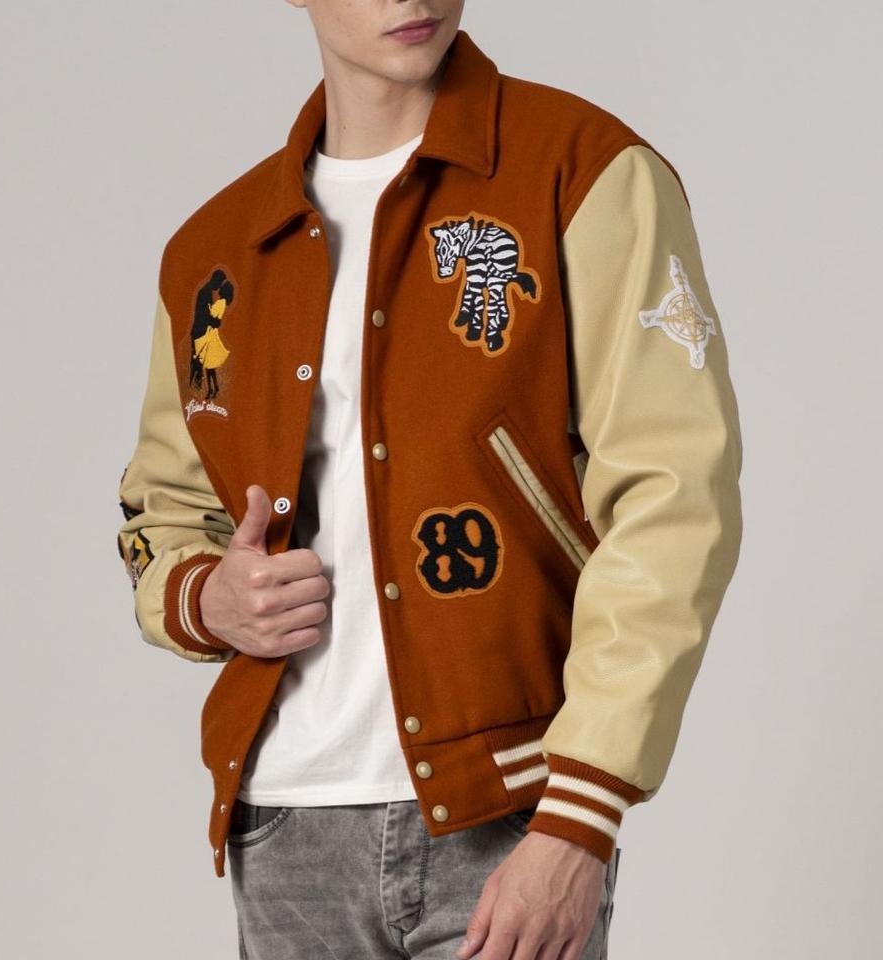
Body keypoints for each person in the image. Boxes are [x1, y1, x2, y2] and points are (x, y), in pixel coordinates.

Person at [116, 3, 743, 958]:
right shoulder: (216, 251)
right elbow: (164, 513)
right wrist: (212, 598)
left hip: (510, 810)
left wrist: (581, 818)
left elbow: (676, 494)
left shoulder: (580, 168)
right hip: (283, 824)